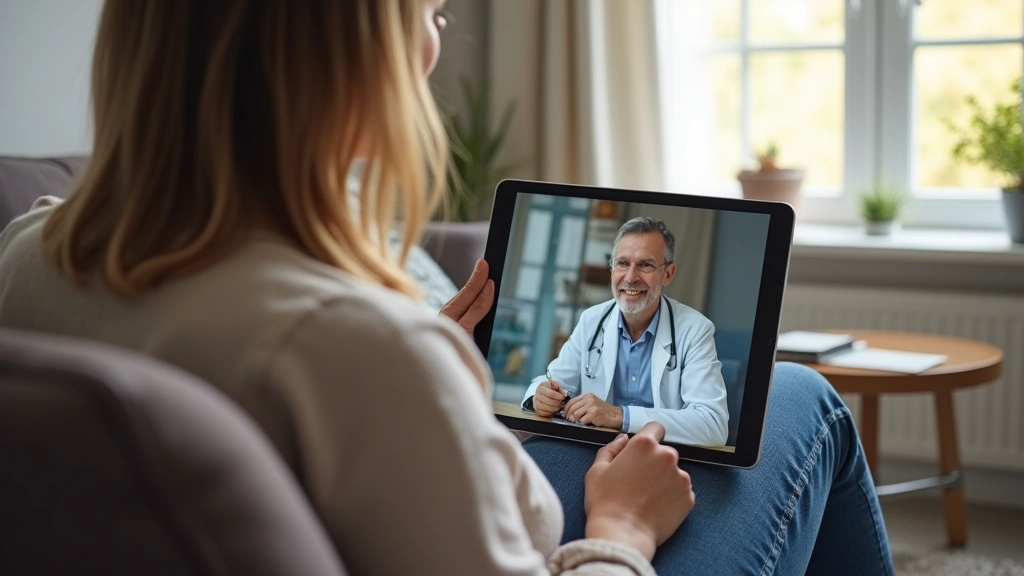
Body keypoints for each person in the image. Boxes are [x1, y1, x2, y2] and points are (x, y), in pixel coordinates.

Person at [0, 1, 895, 574]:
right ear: (359, 63)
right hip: (573, 535)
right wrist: (619, 533)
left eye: (639, 267)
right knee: (803, 399)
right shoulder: (360, 351)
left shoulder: (24, 254)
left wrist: (447, 374)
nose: (437, 41)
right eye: (428, 13)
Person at [522, 217, 729, 447]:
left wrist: (619, 416)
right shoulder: (592, 320)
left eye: (645, 265)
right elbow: (553, 382)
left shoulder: (695, 330)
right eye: (622, 263)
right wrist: (540, 396)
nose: (630, 277)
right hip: (596, 450)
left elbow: (713, 423)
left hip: (664, 458)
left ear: (668, 274)